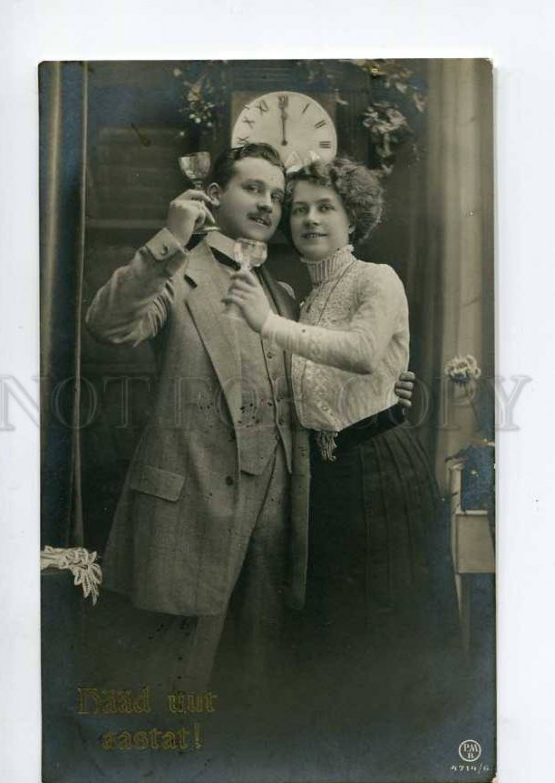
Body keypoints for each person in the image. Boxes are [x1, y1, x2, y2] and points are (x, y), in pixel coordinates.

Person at [85, 144, 415, 705]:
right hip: (188, 514)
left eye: (276, 196)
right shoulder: (177, 271)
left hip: (277, 523)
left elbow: (327, 377)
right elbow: (108, 325)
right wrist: (168, 239)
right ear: (213, 197)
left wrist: (387, 390)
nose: (268, 205)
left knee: (254, 697)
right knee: (170, 695)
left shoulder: (284, 297)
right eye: (252, 189)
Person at [226, 156, 460, 732]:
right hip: (324, 478)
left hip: (380, 465)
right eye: (299, 208)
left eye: (325, 207)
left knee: (387, 623)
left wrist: (265, 324)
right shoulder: (301, 299)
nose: (309, 219)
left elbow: (358, 352)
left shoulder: (376, 279)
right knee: (336, 629)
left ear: (352, 217)